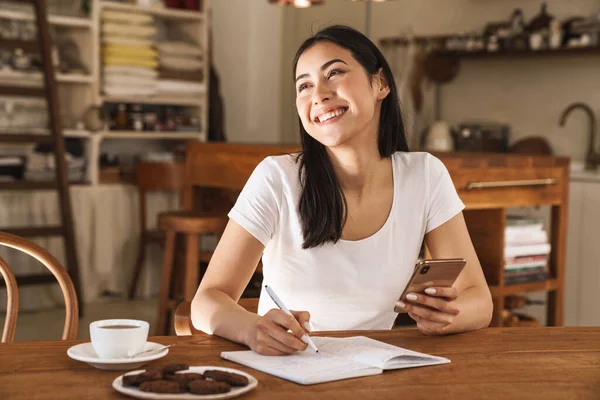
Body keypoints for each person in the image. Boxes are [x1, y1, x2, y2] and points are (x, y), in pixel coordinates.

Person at [191, 25, 493, 356]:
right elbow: (207, 300)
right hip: (288, 370)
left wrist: (448, 316)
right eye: (304, 85)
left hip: (377, 371)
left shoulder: (425, 176)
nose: (318, 94)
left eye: (334, 73)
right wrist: (252, 329)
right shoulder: (276, 178)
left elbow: (478, 298)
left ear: (380, 83)